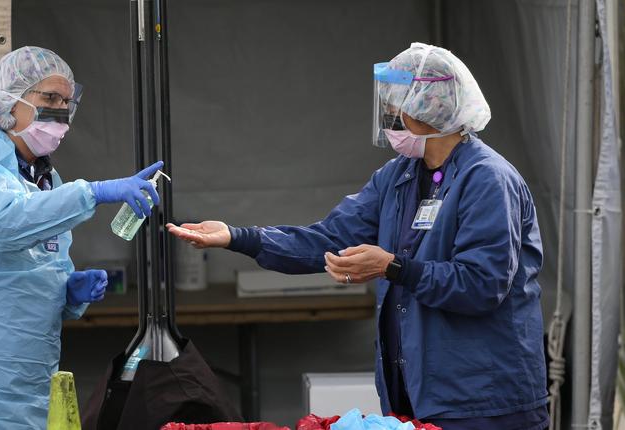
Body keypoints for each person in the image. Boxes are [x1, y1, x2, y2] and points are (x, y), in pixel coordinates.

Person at [167, 43, 548, 430]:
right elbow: (329, 239)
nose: (389, 114)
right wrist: (237, 237)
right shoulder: (398, 177)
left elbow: (482, 284)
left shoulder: (487, 179)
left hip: (484, 403)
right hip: (414, 398)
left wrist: (394, 268)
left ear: (431, 106)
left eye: (397, 101)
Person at [0, 46, 163, 429]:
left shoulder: (44, 179)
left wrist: (67, 291)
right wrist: (93, 192)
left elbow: (37, 261)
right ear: (11, 98)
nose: (60, 109)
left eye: (66, 101)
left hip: (18, 375)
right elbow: (1, 224)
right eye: (49, 97)